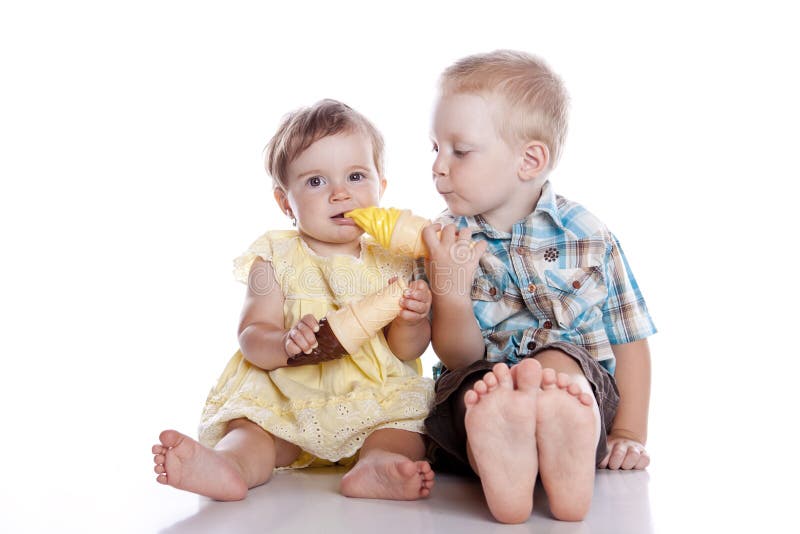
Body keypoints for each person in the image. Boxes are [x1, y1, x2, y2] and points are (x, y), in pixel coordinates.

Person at [152, 99, 435, 502]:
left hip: (374, 400)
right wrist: (284, 341)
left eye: (355, 176)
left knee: (404, 429)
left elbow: (406, 349)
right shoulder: (275, 257)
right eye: (316, 182)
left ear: (381, 188)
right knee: (254, 431)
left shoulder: (395, 260)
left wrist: (411, 319)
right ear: (286, 203)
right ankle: (229, 465)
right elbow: (252, 334)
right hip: (287, 398)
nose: (340, 194)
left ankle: (377, 464)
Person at [421, 50, 657, 524]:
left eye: (460, 151)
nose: (438, 167)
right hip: (482, 379)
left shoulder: (588, 235)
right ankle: (500, 445)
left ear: (530, 159)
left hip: (577, 382)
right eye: (434, 148)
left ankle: (563, 427)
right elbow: (459, 357)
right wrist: (450, 291)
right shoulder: (445, 241)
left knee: (560, 362)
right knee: (475, 389)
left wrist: (630, 431)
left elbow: (630, 341)